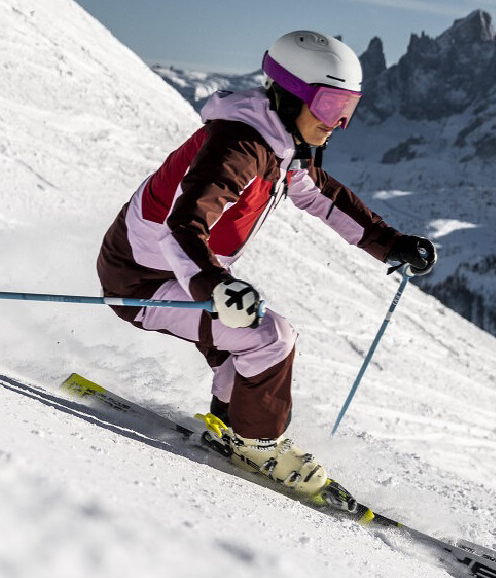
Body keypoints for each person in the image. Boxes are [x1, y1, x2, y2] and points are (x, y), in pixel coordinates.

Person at [97, 30, 437, 495]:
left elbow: (321, 196)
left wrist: (389, 243)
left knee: (245, 354)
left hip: (186, 274)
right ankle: (257, 445)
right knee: (270, 338)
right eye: (329, 107)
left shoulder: (280, 144)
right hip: (143, 280)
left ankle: (230, 426)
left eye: (347, 111)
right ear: (291, 95)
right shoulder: (238, 146)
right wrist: (214, 286)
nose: (336, 125)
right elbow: (184, 225)